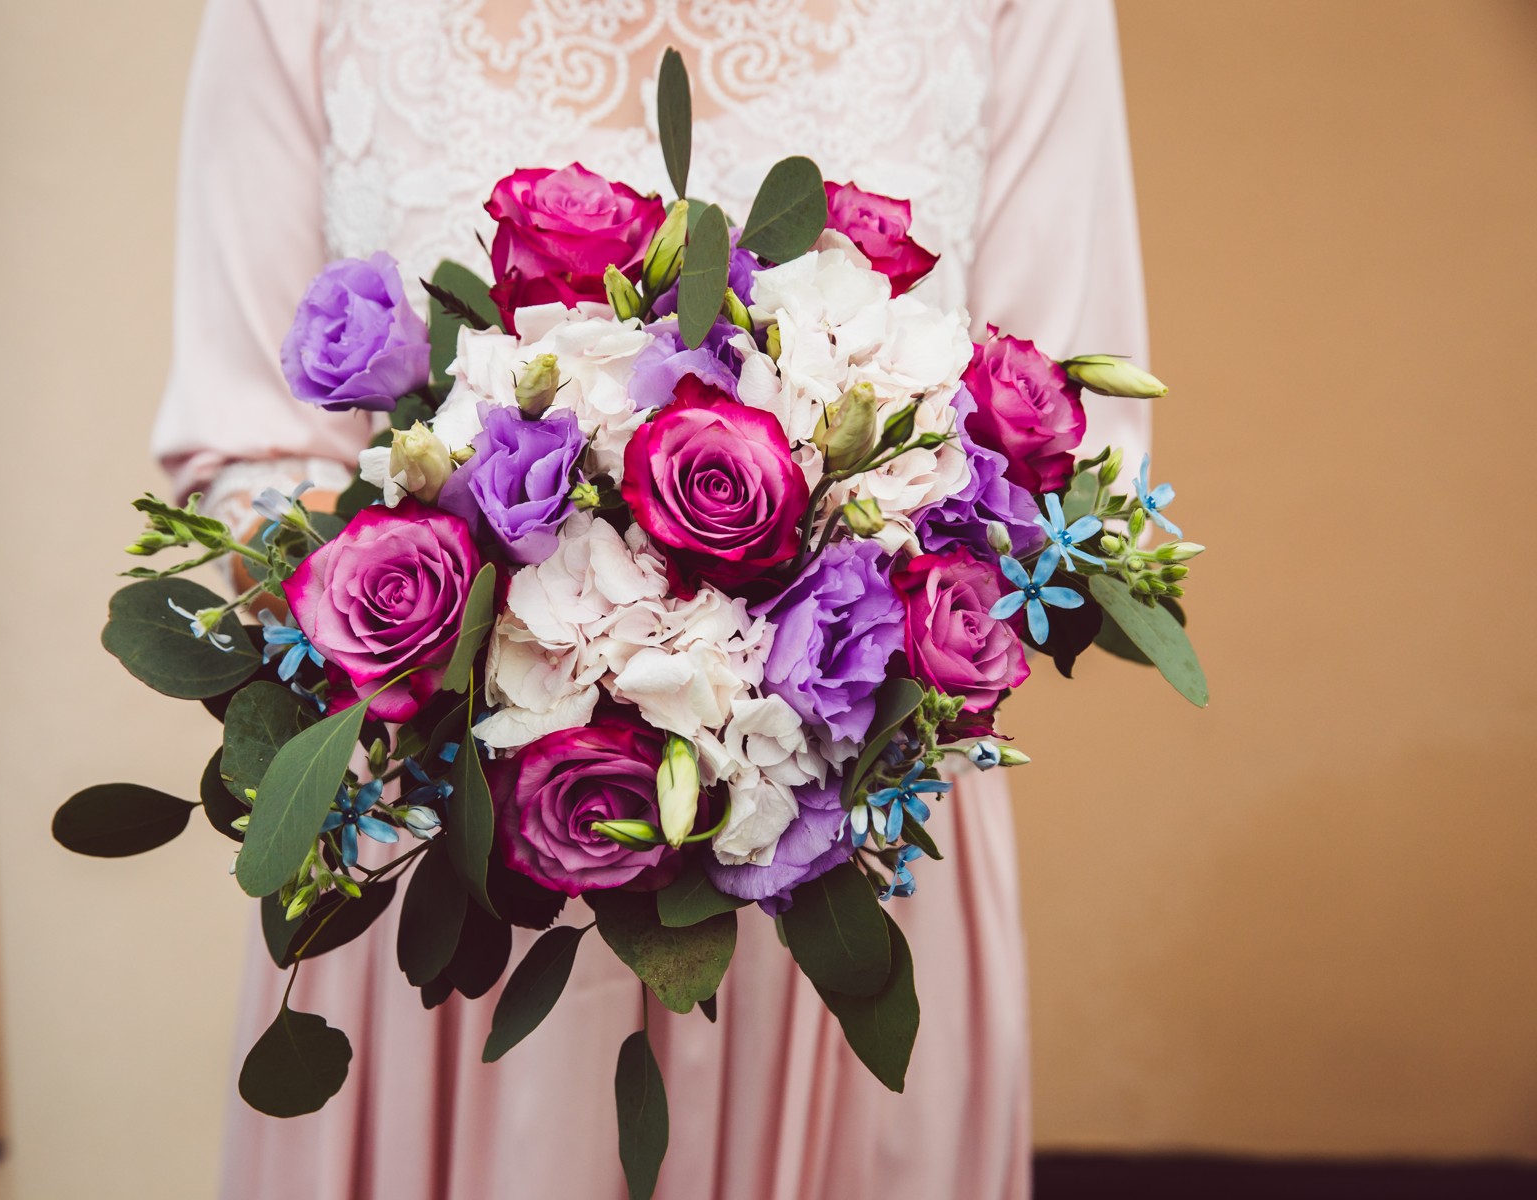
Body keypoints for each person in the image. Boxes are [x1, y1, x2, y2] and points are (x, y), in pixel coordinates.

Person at [153, 3, 1150, 1197]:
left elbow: (1072, 461)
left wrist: (768, 645)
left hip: (842, 861)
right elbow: (248, 466)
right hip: (459, 856)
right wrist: (486, 620)